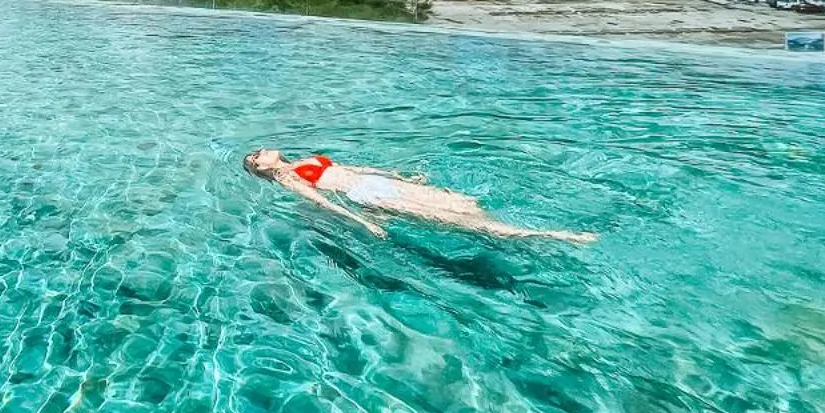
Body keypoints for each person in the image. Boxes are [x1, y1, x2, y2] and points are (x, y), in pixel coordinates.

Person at [243, 148, 596, 244]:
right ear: (261, 170)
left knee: (462, 203)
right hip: (366, 197)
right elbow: (322, 202)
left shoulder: (303, 159)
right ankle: (549, 236)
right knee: (453, 220)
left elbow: (356, 165)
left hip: (376, 183)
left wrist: (397, 175)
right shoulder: (287, 178)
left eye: (257, 151)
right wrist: (364, 221)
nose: (260, 154)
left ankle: (510, 229)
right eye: (255, 160)